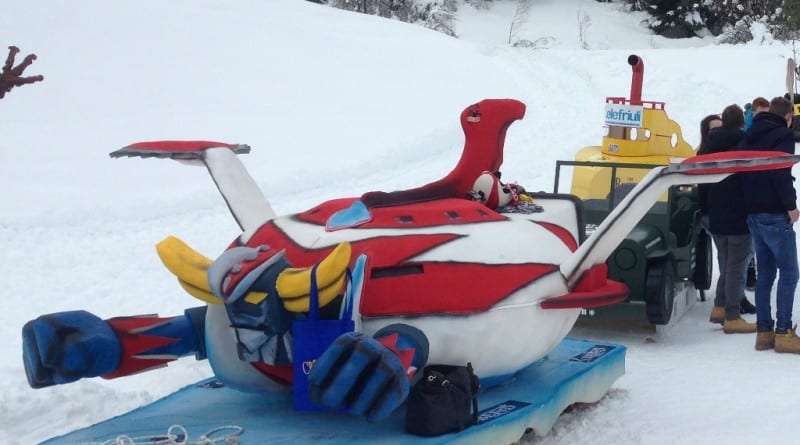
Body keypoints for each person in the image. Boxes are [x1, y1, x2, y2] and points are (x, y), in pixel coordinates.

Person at [740, 96, 800, 353]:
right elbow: (779, 172)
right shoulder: (783, 135)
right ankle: (783, 331)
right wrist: (791, 206)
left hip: (753, 213)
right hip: (775, 213)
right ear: (788, 117)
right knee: (790, 273)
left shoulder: (750, 133)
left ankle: (764, 332)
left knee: (765, 274)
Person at [697, 114, 756, 314]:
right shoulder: (714, 151)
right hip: (721, 214)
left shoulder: (714, 149)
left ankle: (727, 303)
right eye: (713, 129)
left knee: (734, 261)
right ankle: (732, 308)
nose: (717, 132)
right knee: (732, 263)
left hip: (719, 214)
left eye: (720, 127)